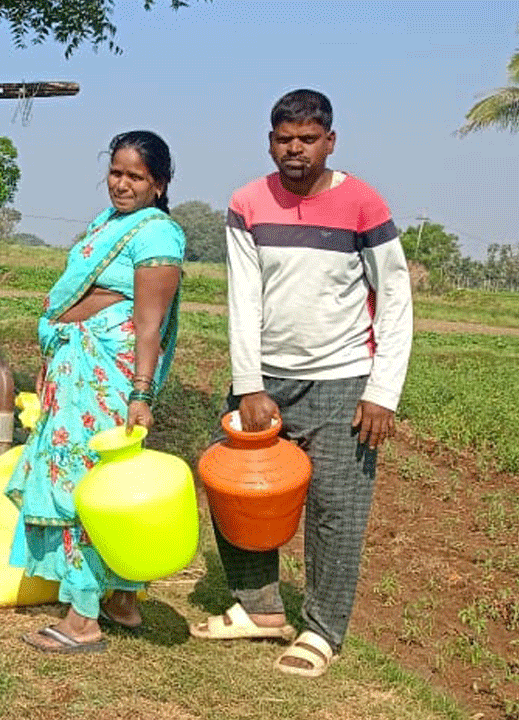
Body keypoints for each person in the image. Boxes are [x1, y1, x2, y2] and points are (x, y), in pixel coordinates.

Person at [188, 89, 413, 678]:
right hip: (265, 380)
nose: (296, 149)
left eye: (308, 139)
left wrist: (382, 391)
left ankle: (321, 631)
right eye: (285, 138)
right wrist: (249, 384)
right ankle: (259, 607)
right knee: (233, 488)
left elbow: (394, 298)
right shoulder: (247, 202)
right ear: (270, 142)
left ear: (329, 142)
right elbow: (243, 298)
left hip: (343, 381)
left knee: (337, 508)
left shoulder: (363, 203)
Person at [6, 130, 187, 653]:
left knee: (87, 488)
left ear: (159, 184)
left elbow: (149, 327)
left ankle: (82, 620)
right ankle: (122, 600)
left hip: (108, 378)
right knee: (100, 481)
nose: (122, 184)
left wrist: (141, 395)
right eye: (115, 172)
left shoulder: (158, 235)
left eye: (136, 177)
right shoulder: (108, 223)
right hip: (77, 370)